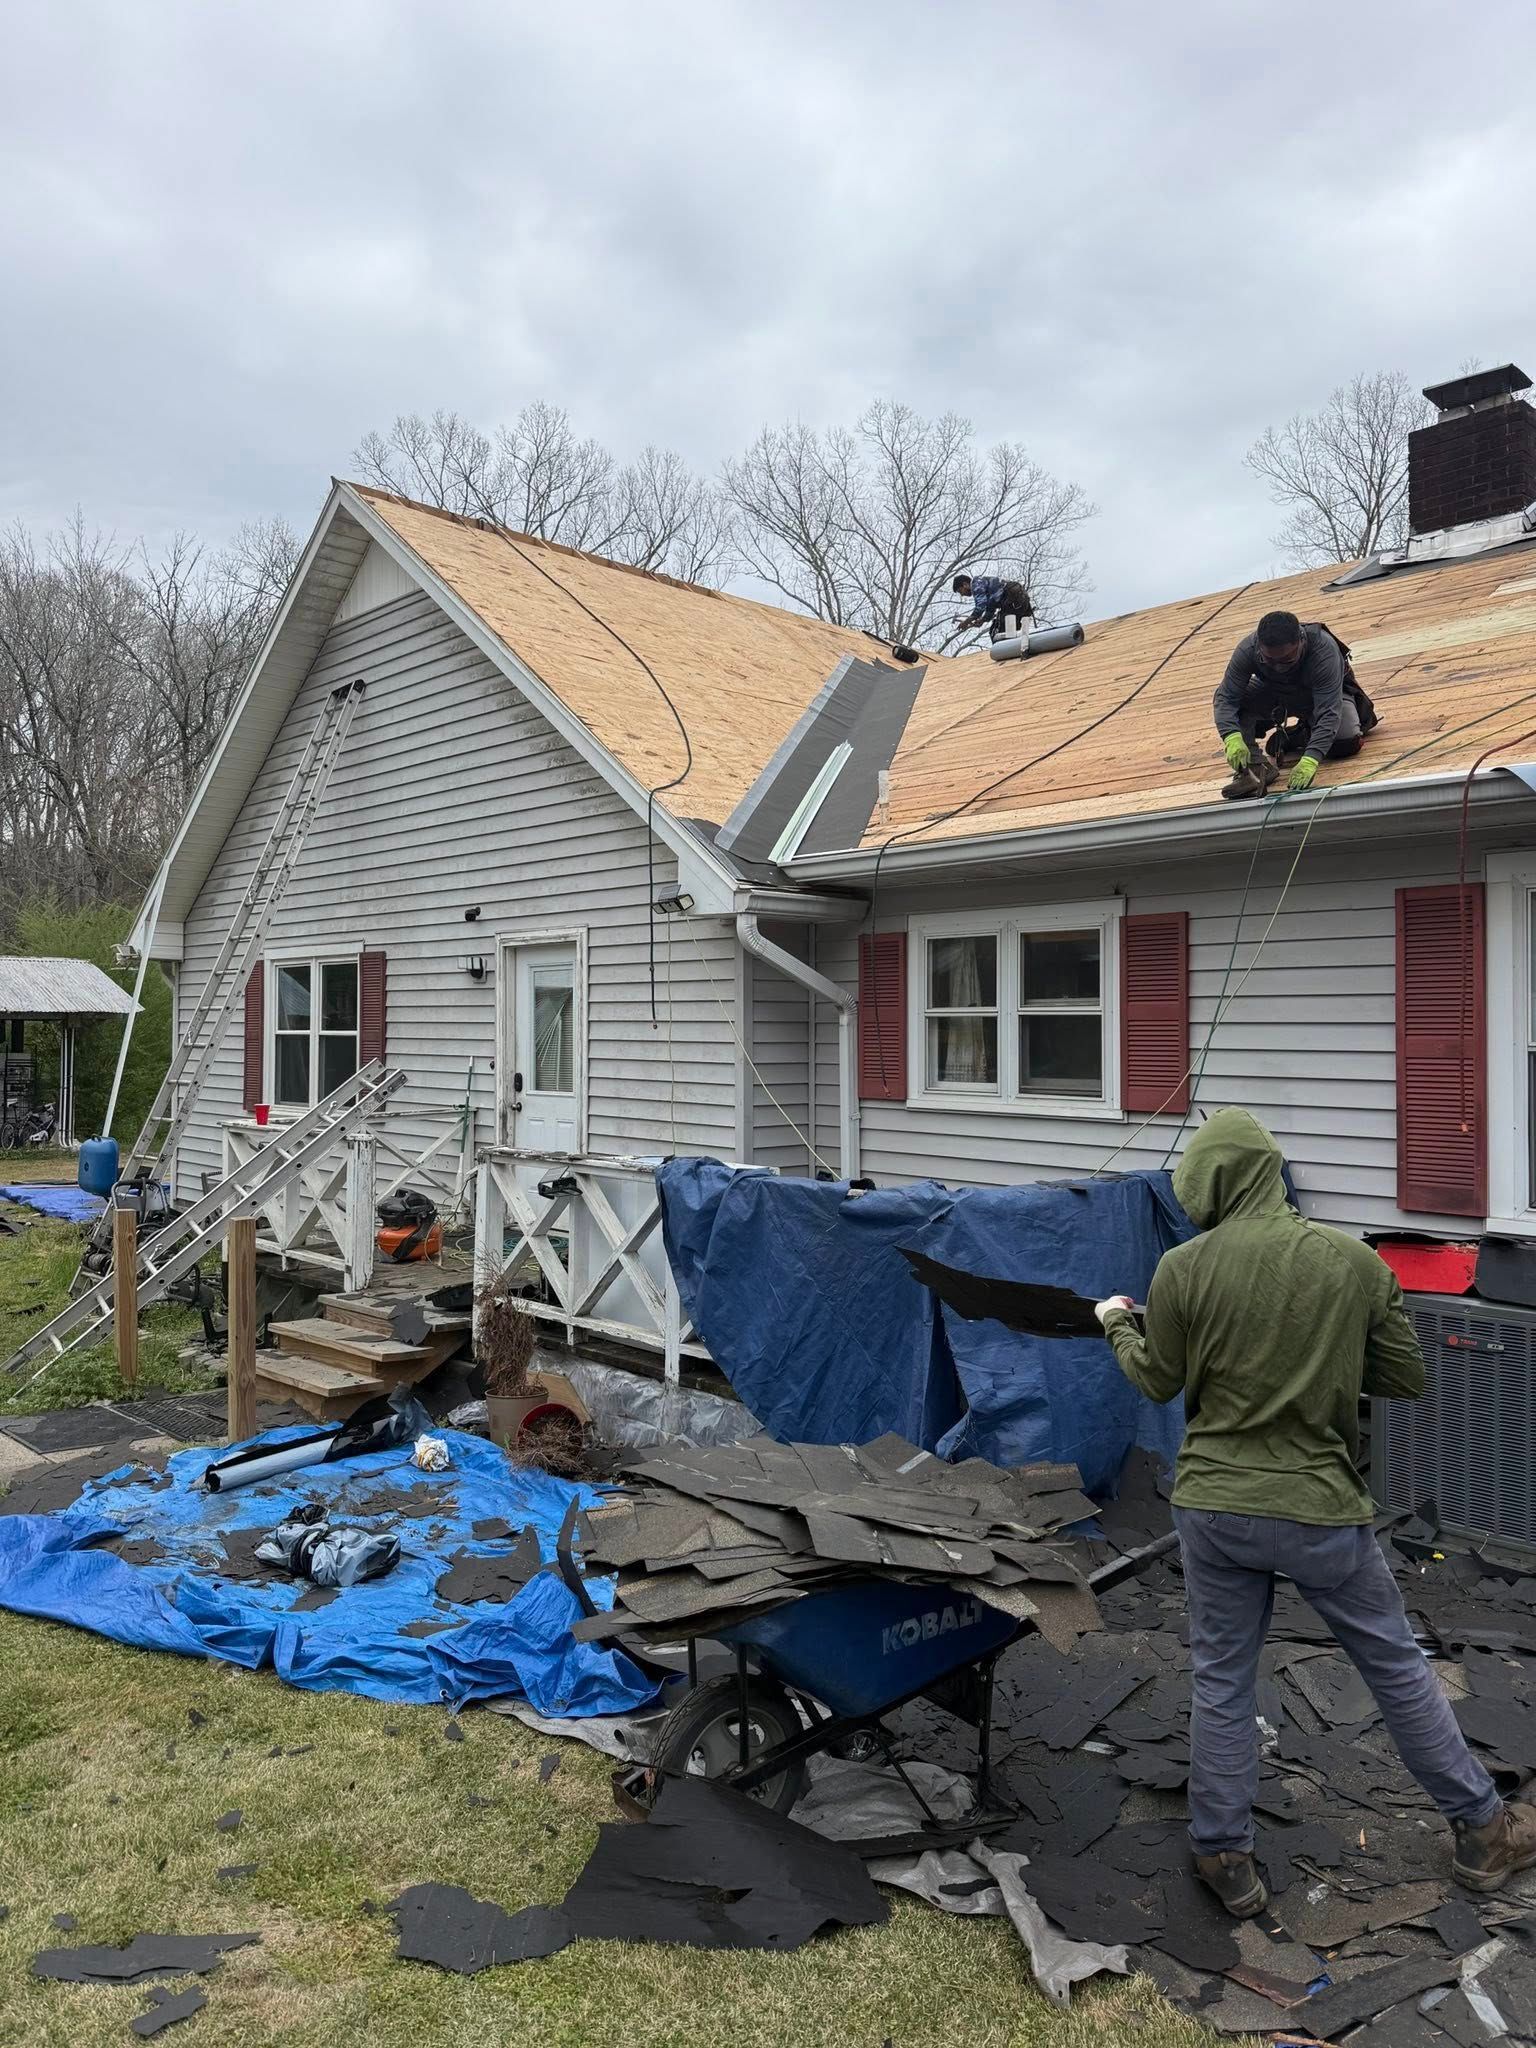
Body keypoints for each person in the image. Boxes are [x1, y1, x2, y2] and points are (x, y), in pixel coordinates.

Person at [1093, 1107, 1536, 1918]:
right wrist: (1327, 1350)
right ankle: (1482, 1829)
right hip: (1319, 1510)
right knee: (1395, 1667)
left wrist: (1119, 1325)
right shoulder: (1352, 1264)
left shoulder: (1181, 1269)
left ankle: (1224, 1853)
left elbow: (1157, 1382)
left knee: (1223, 1678)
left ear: (1211, 1185)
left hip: (1214, 1508)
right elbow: (1404, 1378)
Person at [1214, 610, 1372, 801]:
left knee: (1345, 740)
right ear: (1259, 646)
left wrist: (1311, 758)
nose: (1278, 667)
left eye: (1286, 660)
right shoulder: (1247, 649)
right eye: (1269, 661)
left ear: (1301, 642)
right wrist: (1231, 735)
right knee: (1235, 703)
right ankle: (1256, 770)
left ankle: (1301, 735)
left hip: (1321, 699)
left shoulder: (1323, 650)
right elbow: (1226, 698)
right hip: (1276, 693)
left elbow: (1329, 712)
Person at [953, 572, 1034, 643]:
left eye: (960, 591)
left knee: (998, 634)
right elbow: (991, 606)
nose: (962, 595)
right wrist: (983, 620)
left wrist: (966, 621)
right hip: (1020, 601)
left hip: (1012, 600)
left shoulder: (976, 583)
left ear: (965, 584)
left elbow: (980, 606)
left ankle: (1007, 653)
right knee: (1009, 632)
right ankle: (1018, 649)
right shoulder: (987, 586)